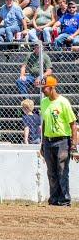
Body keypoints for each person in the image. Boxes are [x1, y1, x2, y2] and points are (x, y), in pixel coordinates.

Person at [39, 75, 78, 206]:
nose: (42, 90)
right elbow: (44, 122)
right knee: (51, 172)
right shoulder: (44, 102)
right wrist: (43, 142)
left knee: (62, 171)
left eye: (44, 88)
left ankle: (64, 200)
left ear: (52, 88)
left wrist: (73, 144)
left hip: (62, 141)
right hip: (48, 141)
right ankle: (54, 199)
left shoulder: (63, 102)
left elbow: (73, 124)